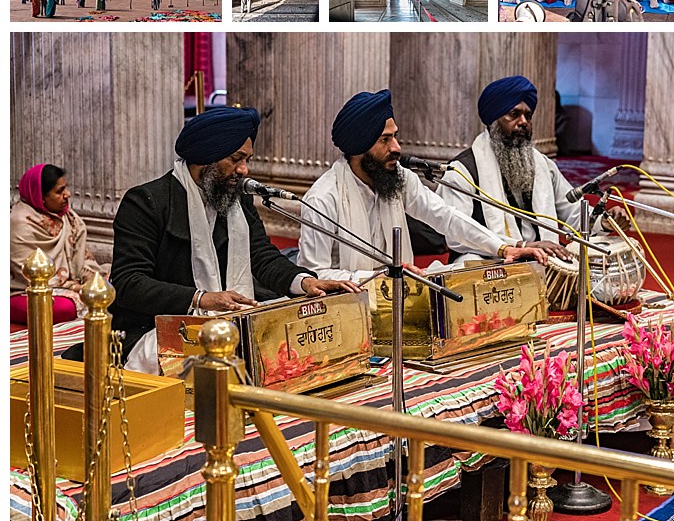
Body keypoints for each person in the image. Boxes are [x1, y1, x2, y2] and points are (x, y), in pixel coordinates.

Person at [109, 107, 354, 371]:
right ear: (207, 157)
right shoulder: (147, 202)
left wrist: (306, 282)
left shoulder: (236, 200)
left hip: (229, 322)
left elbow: (262, 257)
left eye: (246, 159)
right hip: (157, 329)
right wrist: (202, 299)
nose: (244, 170)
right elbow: (128, 283)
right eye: (236, 159)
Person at [298, 89, 545, 282]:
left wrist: (503, 248)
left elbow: (446, 217)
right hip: (349, 306)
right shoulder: (323, 199)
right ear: (360, 147)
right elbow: (314, 274)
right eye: (386, 139)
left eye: (395, 136)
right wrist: (380, 278)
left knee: (469, 270)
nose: (397, 148)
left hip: (401, 290)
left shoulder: (399, 178)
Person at [438, 76, 629, 264]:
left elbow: (573, 215)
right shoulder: (462, 170)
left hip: (542, 259)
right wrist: (521, 245)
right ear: (493, 120)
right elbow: (456, 234)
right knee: (468, 262)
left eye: (527, 116)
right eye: (514, 115)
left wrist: (604, 223)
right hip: (492, 260)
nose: (523, 122)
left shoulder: (543, 165)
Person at [11, 164, 109, 325]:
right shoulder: (19, 223)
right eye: (59, 191)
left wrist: (92, 279)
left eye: (66, 188)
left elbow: (81, 261)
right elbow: (29, 277)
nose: (67, 194)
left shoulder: (67, 217)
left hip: (67, 286)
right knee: (65, 308)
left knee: (112, 282)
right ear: (40, 196)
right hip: (25, 291)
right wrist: (76, 288)